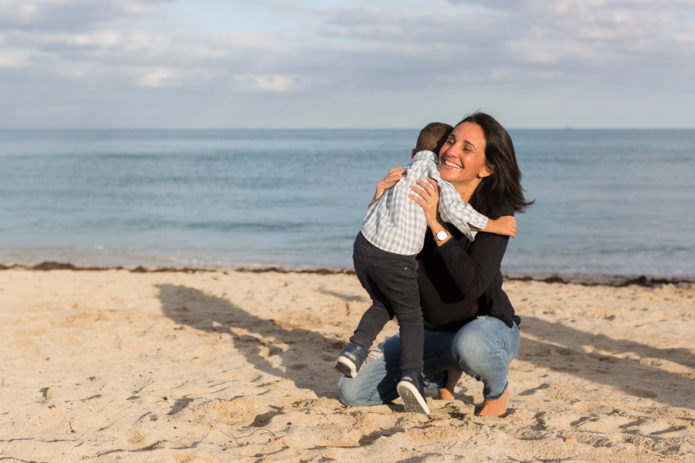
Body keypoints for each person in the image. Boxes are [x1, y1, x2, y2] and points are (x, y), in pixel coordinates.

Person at [339, 112, 533, 417]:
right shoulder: (416, 193)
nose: (452, 151)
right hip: (430, 332)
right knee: (352, 392)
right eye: (450, 141)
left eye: (467, 148)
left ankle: (497, 390)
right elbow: (382, 261)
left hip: (484, 327)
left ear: (487, 168)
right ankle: (442, 371)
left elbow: (472, 284)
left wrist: (436, 223)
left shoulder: (494, 213)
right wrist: (378, 200)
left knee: (471, 348)